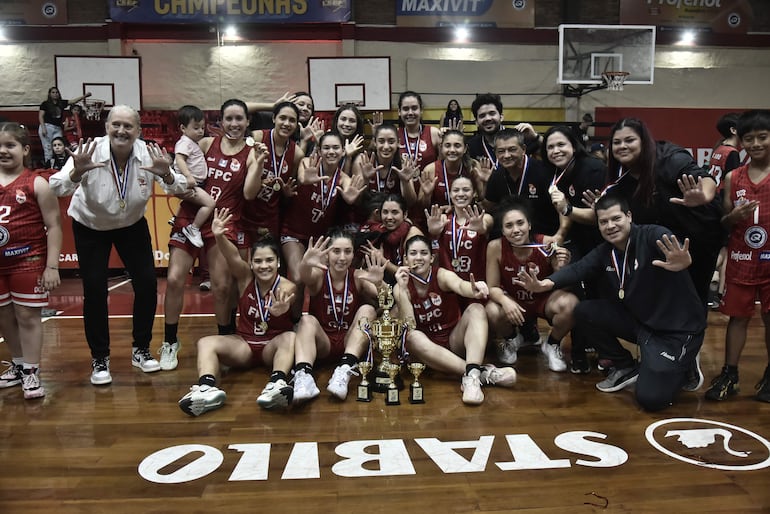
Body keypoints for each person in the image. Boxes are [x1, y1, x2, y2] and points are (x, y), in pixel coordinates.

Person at [517, 194, 705, 411]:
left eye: (616, 219)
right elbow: (578, 269)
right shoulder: (606, 251)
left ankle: (686, 364)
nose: (610, 226)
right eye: (603, 222)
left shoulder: (653, 235)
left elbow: (676, 246)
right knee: (584, 311)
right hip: (642, 324)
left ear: (629, 216)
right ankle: (625, 366)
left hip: (676, 332)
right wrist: (544, 284)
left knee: (651, 399)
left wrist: (686, 261)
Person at [49, 105, 188, 385]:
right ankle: (100, 358)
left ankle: (141, 350)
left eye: (128, 126)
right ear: (107, 127)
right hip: (91, 226)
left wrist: (168, 175)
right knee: (95, 290)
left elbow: (182, 187)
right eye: (116, 125)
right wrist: (76, 172)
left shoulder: (149, 153)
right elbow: (56, 187)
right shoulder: (88, 151)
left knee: (148, 284)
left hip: (132, 224)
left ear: (138, 131)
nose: (121, 131)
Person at [164, 99, 263, 371]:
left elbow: (249, 194)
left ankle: (225, 342)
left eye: (239, 118)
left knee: (222, 287)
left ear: (247, 122)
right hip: (191, 214)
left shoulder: (253, 153)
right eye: (228, 118)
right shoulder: (206, 144)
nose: (234, 124)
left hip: (224, 221)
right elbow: (180, 165)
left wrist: (260, 164)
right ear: (220, 122)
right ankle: (170, 341)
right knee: (173, 279)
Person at [178, 208, 297, 416]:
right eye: (258, 261)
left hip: (272, 345)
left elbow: (287, 309)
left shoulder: (287, 286)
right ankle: (207, 388)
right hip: (245, 346)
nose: (264, 266)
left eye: (269, 260)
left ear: (278, 262)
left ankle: (277, 383)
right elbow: (231, 255)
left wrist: (281, 311)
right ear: (251, 263)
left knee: (290, 337)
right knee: (206, 342)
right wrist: (219, 236)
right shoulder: (245, 278)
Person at [603, 117, 723, 304]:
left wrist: (704, 196)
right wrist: (571, 209)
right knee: (663, 302)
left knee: (692, 301)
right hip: (660, 243)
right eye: (616, 142)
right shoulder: (620, 176)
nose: (622, 146)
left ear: (643, 141)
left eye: (629, 140)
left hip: (697, 241)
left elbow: (706, 180)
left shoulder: (670, 158)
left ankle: (694, 332)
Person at [393, 235, 516, 405]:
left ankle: (472, 376)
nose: (419, 258)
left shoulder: (441, 275)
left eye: (424, 253)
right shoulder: (400, 286)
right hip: (425, 352)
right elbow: (409, 324)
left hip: (452, 342)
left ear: (432, 258)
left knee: (476, 309)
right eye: (413, 253)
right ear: (406, 259)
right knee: (412, 336)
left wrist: (473, 290)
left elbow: (460, 285)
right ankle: (480, 373)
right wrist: (402, 289)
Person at [705, 109, 770, 403]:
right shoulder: (734, 177)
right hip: (742, 259)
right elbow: (723, 221)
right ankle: (729, 373)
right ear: (740, 142)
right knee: (738, 318)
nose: (756, 144)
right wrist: (734, 215)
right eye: (749, 139)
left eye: (763, 137)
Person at [0, 122, 62, 399]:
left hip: (28, 260)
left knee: (27, 315)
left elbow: (55, 225)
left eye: (10, 145)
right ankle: (17, 363)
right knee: (4, 316)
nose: (3, 151)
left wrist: (52, 266)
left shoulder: (37, 183)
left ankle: (32, 371)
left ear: (25, 149)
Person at [541, 126, 608, 373]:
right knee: (578, 294)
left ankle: (605, 351)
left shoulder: (593, 169)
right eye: (550, 146)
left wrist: (568, 208)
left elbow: (600, 216)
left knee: (601, 295)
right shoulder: (554, 172)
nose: (556, 150)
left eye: (561, 145)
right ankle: (579, 350)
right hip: (575, 241)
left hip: (600, 242)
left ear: (574, 145)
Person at [292, 232, 386, 403]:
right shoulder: (320, 275)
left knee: (368, 310)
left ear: (353, 254)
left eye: (347, 251)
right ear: (327, 254)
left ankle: (344, 369)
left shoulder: (358, 276)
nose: (342, 257)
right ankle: (304, 376)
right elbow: (305, 276)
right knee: (306, 320)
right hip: (323, 342)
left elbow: (388, 301)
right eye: (336, 251)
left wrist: (380, 284)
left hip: (350, 342)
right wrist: (305, 264)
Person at [485, 197, 576, 371]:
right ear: (502, 231)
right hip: (515, 301)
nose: (516, 230)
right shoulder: (495, 247)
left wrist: (562, 269)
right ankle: (512, 339)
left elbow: (566, 288)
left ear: (530, 225)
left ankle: (552, 344)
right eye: (509, 226)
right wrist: (505, 301)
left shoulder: (547, 243)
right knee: (491, 310)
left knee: (571, 304)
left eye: (520, 223)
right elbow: (492, 288)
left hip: (544, 300)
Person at [246, 101, 305, 241]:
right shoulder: (257, 138)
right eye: (282, 118)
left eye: (292, 120)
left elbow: (288, 184)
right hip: (246, 211)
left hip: (270, 216)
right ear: (273, 118)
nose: (286, 123)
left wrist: (286, 192)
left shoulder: (297, 153)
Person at [425, 176, 492, 284]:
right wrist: (433, 231)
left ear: (474, 193)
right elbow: (434, 233)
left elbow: (485, 226)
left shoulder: (484, 218)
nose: (460, 194)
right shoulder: (443, 219)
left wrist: (482, 228)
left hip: (476, 284)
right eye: (456, 190)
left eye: (466, 190)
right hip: (448, 285)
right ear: (450, 194)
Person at [172, 105, 216, 248]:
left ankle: (177, 218)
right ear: (183, 128)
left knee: (193, 203)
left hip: (196, 183)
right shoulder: (184, 143)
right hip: (190, 182)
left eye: (202, 128)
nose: (200, 131)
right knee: (210, 204)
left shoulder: (192, 143)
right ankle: (194, 228)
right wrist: (188, 176)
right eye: (196, 128)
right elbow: (179, 160)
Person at [417, 129, 483, 211]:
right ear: (441, 147)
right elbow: (421, 206)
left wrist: (453, 208)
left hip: (466, 217)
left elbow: (482, 200)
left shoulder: (473, 166)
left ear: (465, 148)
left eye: (457, 145)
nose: (452, 150)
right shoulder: (431, 169)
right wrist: (427, 195)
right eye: (447, 145)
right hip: (438, 218)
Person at [38, 87, 91, 165]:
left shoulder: (61, 103)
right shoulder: (45, 104)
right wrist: (43, 128)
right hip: (47, 126)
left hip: (57, 127)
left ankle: (60, 163)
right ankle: (49, 165)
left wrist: (85, 96)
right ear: (49, 94)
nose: (55, 94)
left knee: (60, 145)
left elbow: (73, 101)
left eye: (57, 92)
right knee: (48, 148)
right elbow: (41, 116)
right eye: (53, 92)